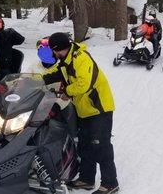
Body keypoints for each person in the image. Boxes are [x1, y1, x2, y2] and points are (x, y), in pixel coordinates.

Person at [43, 32, 119, 194]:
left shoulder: (80, 58)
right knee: (84, 145)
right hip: (84, 110)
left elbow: (84, 83)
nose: (53, 54)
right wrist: (34, 80)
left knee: (101, 146)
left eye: (53, 50)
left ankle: (111, 183)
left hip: (99, 108)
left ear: (58, 49)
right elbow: (52, 74)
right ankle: (86, 179)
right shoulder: (65, 60)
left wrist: (68, 92)